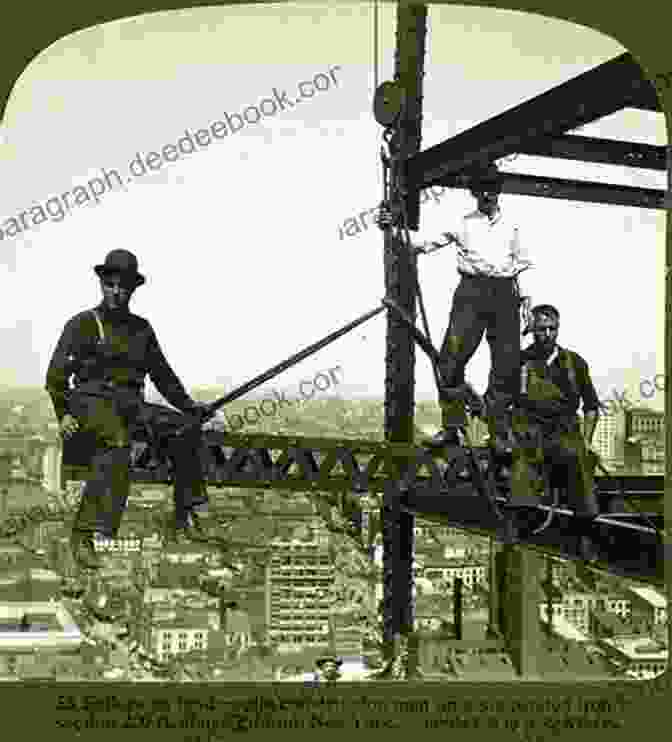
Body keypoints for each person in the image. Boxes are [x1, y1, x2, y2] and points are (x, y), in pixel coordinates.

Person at [45, 249, 210, 570]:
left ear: (133, 289)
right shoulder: (82, 325)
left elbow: (163, 376)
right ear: (102, 284)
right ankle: (86, 533)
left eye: (124, 287)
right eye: (111, 285)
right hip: (90, 402)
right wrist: (63, 414)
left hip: (130, 403)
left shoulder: (141, 330)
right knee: (117, 443)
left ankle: (188, 511)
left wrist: (190, 408)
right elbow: (55, 377)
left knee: (185, 428)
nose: (117, 292)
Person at [377, 166, 532, 454]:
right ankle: (452, 426)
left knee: (506, 364)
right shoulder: (462, 222)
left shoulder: (514, 224)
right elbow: (420, 244)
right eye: (481, 189)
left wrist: (528, 305)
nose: (487, 194)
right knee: (450, 358)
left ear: (499, 191)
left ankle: (498, 432)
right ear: (474, 193)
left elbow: (524, 266)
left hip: (505, 293)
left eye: (492, 188)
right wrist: (391, 226)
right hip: (471, 292)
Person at [514, 304, 601, 561]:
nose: (548, 334)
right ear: (532, 330)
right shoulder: (520, 362)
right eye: (542, 329)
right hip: (532, 432)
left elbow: (592, 407)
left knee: (579, 461)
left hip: (565, 432)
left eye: (553, 328)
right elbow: (506, 401)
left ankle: (584, 535)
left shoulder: (574, 363)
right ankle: (523, 530)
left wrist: (587, 440)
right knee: (523, 470)